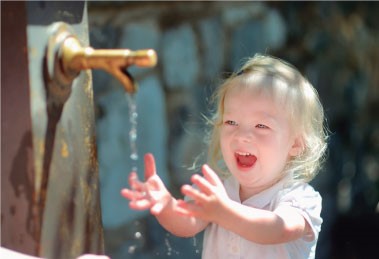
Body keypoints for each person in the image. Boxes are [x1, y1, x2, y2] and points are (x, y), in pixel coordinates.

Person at [121, 54, 328, 259]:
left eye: (261, 126)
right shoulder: (217, 189)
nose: (242, 135)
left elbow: (278, 229)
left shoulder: (300, 197)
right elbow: (186, 224)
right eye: (231, 122)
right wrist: (165, 205)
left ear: (296, 144)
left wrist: (222, 211)